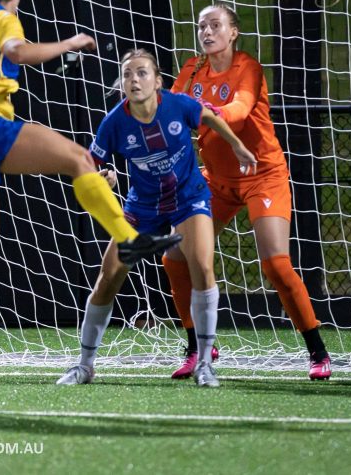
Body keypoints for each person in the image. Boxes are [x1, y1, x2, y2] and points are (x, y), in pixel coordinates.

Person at [0, 0, 183, 395]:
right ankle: (127, 239)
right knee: (79, 159)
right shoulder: (1, 17)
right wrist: (70, 43)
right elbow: (18, 53)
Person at [56, 49, 257, 388]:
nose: (134, 80)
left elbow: (209, 117)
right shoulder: (114, 122)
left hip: (188, 199)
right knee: (108, 278)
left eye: (142, 73)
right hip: (143, 206)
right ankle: (85, 365)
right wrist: (104, 176)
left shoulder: (178, 105)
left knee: (203, 268)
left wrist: (237, 145)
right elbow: (90, 166)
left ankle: (205, 364)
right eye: (127, 74)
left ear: (158, 81)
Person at [169, 3, 332, 380]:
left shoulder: (248, 67)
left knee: (275, 263)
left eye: (215, 25)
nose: (207, 32)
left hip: (262, 175)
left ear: (233, 31)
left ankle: (317, 350)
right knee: (174, 255)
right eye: (201, 26)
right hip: (217, 181)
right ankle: (198, 346)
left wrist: (204, 112)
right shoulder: (192, 69)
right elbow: (170, 107)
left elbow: (239, 110)